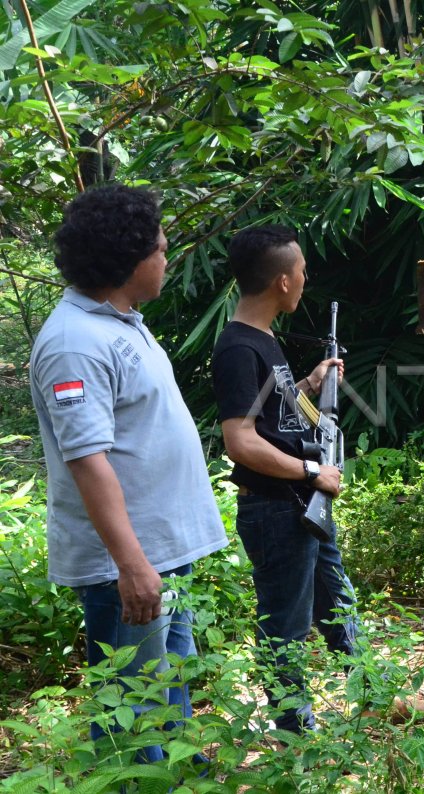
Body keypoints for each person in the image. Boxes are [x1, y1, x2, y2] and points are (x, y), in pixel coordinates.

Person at [30, 185, 227, 762]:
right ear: (129, 259)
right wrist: (133, 566)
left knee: (169, 693)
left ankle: (177, 777)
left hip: (160, 555)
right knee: (133, 708)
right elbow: (87, 462)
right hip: (130, 566)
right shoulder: (75, 342)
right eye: (162, 249)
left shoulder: (121, 323)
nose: (168, 259)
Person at [211, 225, 358, 733]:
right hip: (278, 508)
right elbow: (242, 440)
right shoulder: (238, 348)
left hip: (300, 503)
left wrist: (308, 385)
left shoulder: (263, 341)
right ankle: (295, 737)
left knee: (337, 602)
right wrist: (312, 470)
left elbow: (273, 415)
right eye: (300, 271)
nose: (305, 278)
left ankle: (373, 693)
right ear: (280, 281)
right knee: (286, 629)